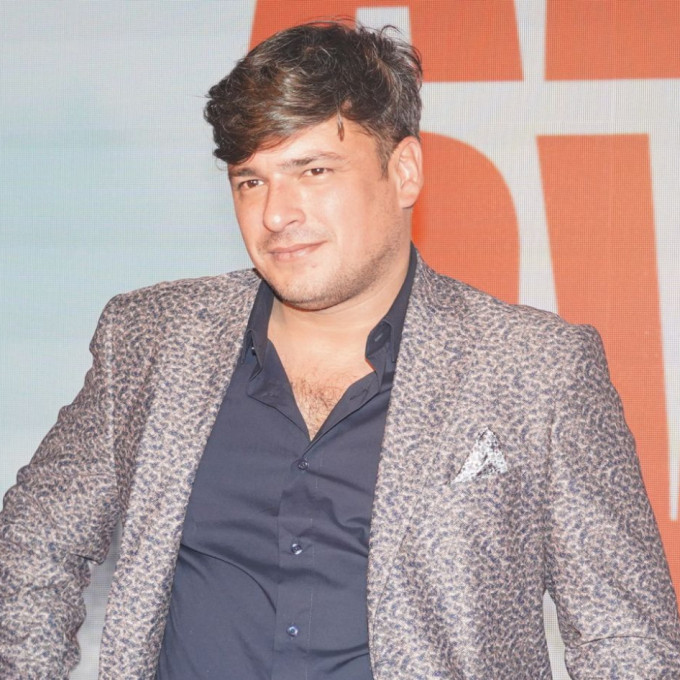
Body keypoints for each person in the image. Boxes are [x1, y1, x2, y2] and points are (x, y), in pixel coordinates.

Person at [1, 20, 679, 680]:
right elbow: (32, 545)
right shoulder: (153, 339)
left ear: (404, 171)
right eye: (251, 180)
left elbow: (627, 641)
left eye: (314, 170)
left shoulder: (538, 369)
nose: (276, 214)